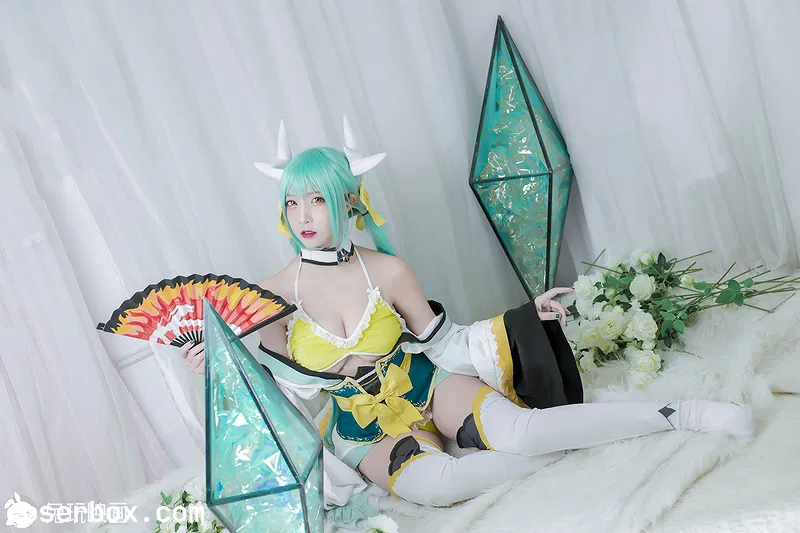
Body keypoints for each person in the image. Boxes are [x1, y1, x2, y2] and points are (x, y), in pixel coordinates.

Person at [180, 117, 754, 508]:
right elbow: (280, 392)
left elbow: (446, 342)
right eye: (292, 202)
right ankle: (572, 442)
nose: (303, 215)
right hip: (358, 424)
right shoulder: (269, 295)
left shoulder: (388, 271)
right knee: (439, 487)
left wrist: (524, 318)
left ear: (349, 201)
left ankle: (680, 413)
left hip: (426, 384)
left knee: (523, 431)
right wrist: (218, 364)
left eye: (317, 200)